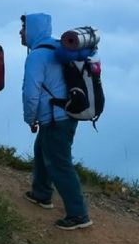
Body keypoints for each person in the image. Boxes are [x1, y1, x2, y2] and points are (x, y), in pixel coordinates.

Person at [20, 13, 92, 230]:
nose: (21, 33)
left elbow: (31, 93)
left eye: (24, 28)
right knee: (42, 149)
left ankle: (79, 215)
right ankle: (41, 193)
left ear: (32, 30)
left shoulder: (37, 56)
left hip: (55, 118)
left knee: (60, 164)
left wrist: (30, 118)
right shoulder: (57, 47)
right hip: (66, 113)